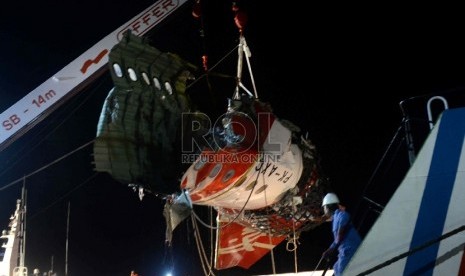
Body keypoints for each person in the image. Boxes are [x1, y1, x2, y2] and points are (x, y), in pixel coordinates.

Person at [321, 192, 361, 276]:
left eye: (324, 208)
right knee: (336, 269)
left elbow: (345, 217)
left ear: (328, 207)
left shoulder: (341, 215)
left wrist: (340, 232)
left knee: (341, 272)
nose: (324, 210)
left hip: (350, 249)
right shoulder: (335, 218)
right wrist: (329, 250)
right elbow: (337, 240)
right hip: (343, 251)